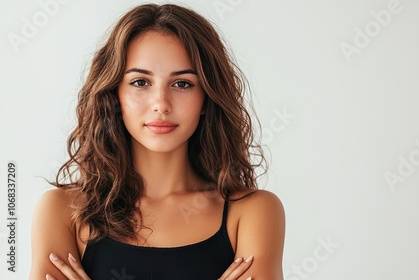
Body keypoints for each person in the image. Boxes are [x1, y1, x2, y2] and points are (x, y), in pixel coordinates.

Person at [29, 3, 285, 280]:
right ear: (114, 94)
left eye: (182, 84)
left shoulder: (253, 212)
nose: (161, 104)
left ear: (206, 98)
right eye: (140, 82)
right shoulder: (63, 212)